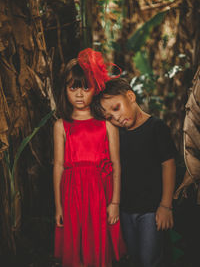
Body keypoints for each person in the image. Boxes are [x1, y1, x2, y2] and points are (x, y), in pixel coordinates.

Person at [93, 78, 177, 267]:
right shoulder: (118, 135)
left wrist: (166, 205)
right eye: (110, 117)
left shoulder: (156, 127)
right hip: (125, 210)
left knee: (150, 260)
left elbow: (169, 165)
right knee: (134, 258)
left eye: (116, 108)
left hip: (151, 211)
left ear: (130, 96)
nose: (116, 118)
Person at [53, 49, 126, 267]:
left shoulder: (107, 124)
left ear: (95, 89)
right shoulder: (61, 125)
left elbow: (116, 165)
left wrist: (115, 202)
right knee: (75, 246)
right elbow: (58, 166)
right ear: (65, 90)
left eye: (86, 87)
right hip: (72, 193)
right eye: (73, 87)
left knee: (97, 243)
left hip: (99, 192)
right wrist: (58, 207)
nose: (79, 94)